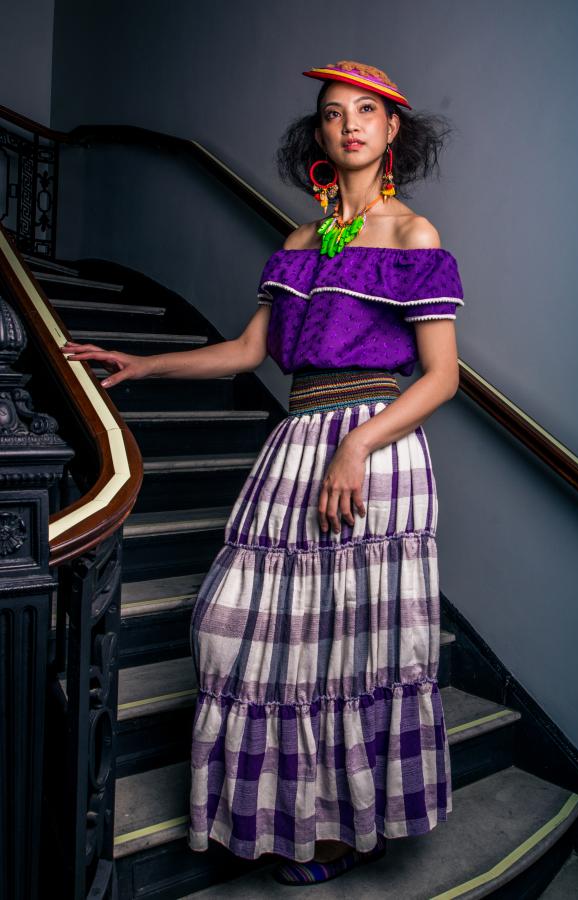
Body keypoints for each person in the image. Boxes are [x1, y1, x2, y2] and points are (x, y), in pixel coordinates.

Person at [61, 59, 464, 887]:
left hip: (374, 446)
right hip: (297, 442)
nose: (348, 124)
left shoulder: (412, 235)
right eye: (332, 113)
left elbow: (441, 377)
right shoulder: (298, 243)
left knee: (354, 647)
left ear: (392, 131)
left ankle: (345, 827)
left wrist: (357, 447)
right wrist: (143, 364)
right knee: (238, 628)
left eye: (366, 111)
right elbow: (249, 352)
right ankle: (298, 814)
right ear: (318, 134)